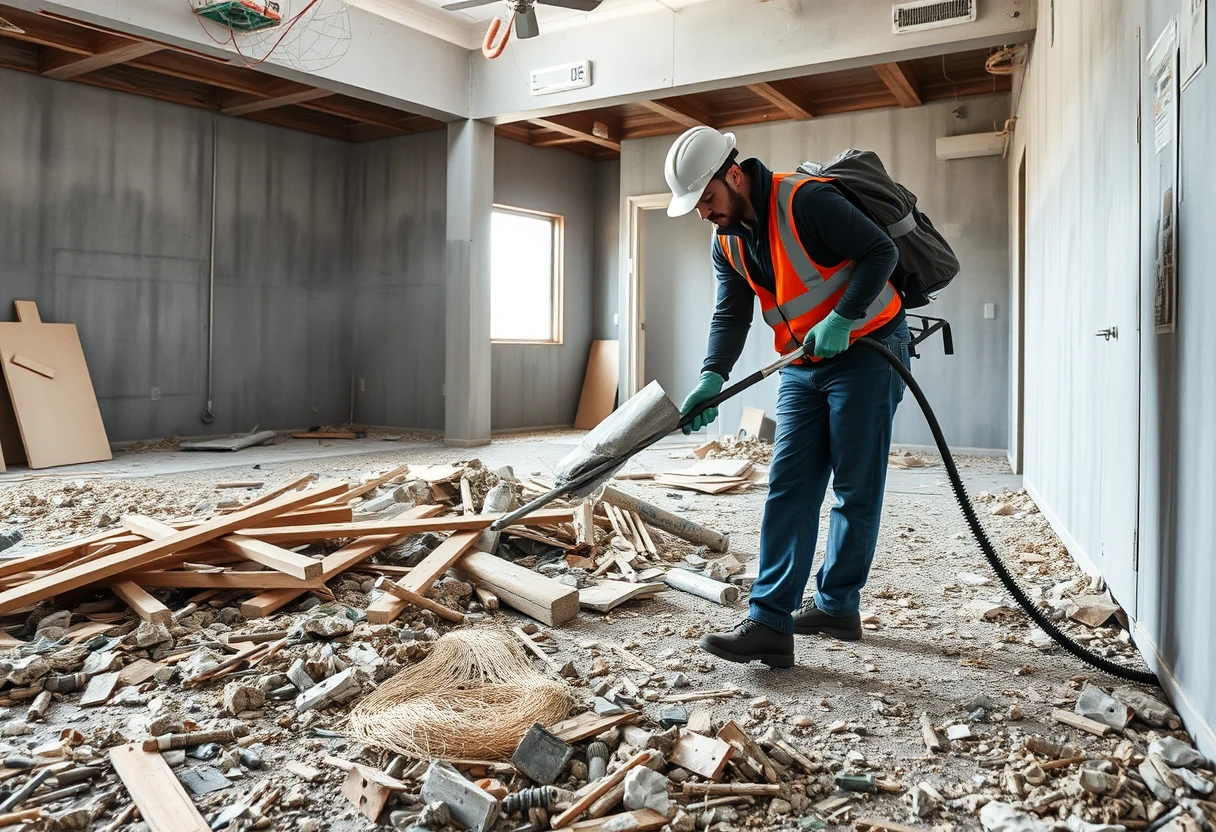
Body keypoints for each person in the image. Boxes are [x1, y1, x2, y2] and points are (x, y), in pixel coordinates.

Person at [664, 126, 913, 668]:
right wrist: (712, 376)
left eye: (707, 198)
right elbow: (731, 312)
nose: (704, 212)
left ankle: (837, 605)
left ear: (733, 174)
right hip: (802, 364)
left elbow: (880, 251)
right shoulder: (725, 239)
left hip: (869, 347)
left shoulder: (806, 200)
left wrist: (844, 317)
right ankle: (770, 621)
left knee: (854, 487)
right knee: (789, 487)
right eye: (696, 206)